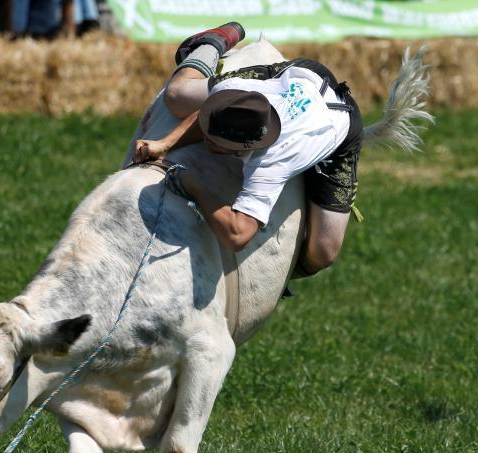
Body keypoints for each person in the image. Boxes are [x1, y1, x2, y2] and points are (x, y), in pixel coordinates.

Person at [132, 22, 363, 277]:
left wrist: (193, 185)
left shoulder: (270, 163)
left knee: (323, 251)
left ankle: (278, 278)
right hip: (300, 75)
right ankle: (211, 43)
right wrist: (165, 144)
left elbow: (238, 233)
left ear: (242, 148)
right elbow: (207, 114)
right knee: (177, 94)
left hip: (341, 119)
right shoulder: (235, 94)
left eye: (214, 138)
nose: (206, 136)